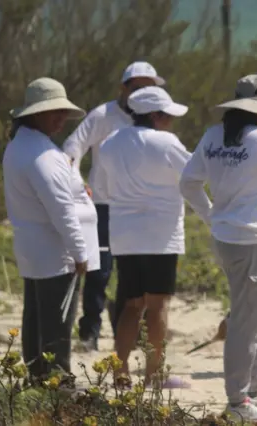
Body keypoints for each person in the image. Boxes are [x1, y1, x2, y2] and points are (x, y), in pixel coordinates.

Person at [180, 74, 257, 421]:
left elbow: (189, 183)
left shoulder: (214, 135)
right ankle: (238, 401)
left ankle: (255, 392)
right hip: (251, 241)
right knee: (247, 321)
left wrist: (213, 216)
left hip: (226, 239)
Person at [63, 61, 166, 351]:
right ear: (123, 88)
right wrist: (76, 183)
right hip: (104, 205)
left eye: (150, 88)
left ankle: (127, 334)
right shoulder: (103, 115)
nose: (142, 93)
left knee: (134, 273)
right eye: (137, 87)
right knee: (99, 271)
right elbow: (72, 148)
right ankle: (90, 333)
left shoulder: (155, 119)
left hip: (139, 207)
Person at [98, 86, 192, 389]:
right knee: (158, 305)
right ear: (156, 115)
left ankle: (120, 372)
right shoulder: (166, 142)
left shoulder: (110, 144)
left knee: (131, 303)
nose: (171, 122)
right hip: (160, 236)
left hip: (124, 236)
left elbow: (102, 187)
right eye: (168, 116)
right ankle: (154, 375)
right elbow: (193, 175)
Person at [3, 77, 89, 383]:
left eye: (62, 111)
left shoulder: (16, 147)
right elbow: (62, 212)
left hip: (28, 247)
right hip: (53, 250)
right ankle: (57, 382)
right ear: (35, 113)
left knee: (36, 316)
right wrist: (80, 253)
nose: (61, 118)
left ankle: (36, 376)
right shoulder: (45, 155)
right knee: (57, 320)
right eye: (54, 111)